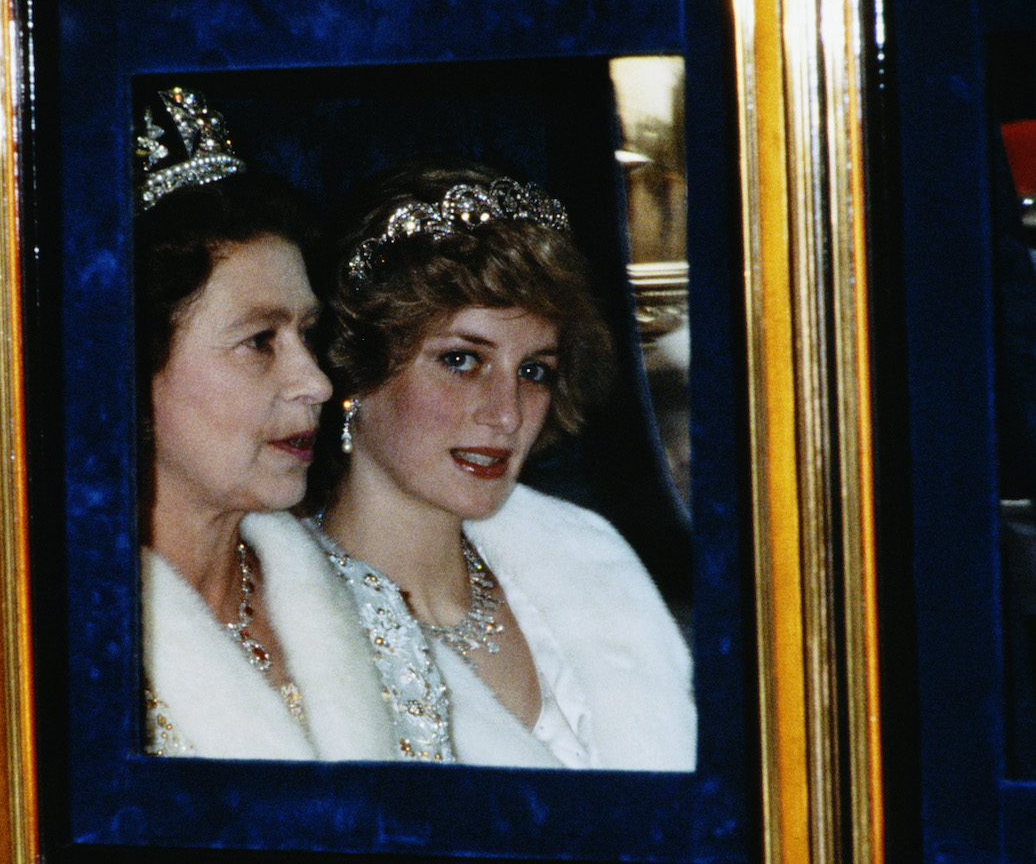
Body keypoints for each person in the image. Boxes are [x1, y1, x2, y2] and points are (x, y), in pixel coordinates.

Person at [308, 157, 696, 769]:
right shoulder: (295, 630)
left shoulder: (589, 565)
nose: (508, 414)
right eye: (462, 361)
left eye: (533, 371)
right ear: (355, 368)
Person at [135, 88, 403, 760]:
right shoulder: (52, 652)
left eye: (307, 335)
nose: (315, 381)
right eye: (260, 340)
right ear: (129, 370)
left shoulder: (368, 607)